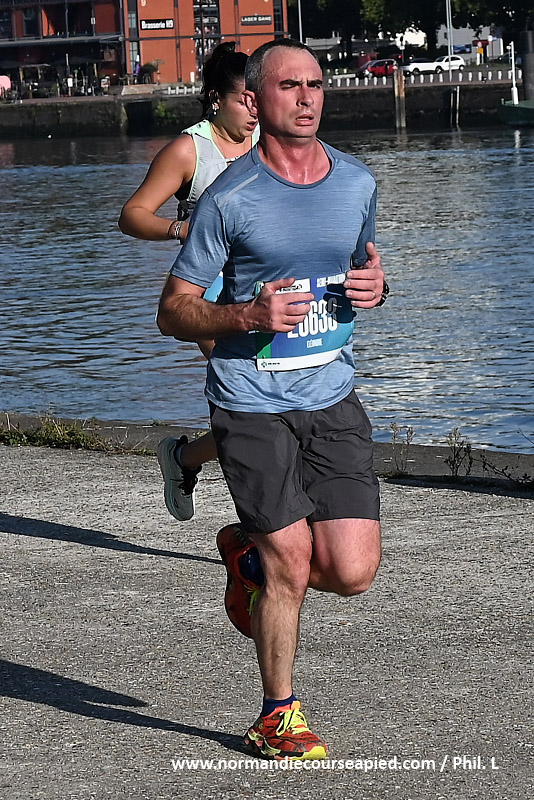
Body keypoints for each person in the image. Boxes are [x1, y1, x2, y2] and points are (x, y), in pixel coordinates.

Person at [157, 38, 388, 761]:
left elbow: (364, 269)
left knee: (351, 571)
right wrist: (247, 316)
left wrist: (378, 288)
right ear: (255, 101)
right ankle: (276, 715)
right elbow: (173, 310)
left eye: (316, 83)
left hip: (332, 392)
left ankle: (246, 559)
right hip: (249, 398)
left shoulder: (356, 183)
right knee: (292, 557)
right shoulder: (230, 198)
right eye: (291, 86)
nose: (308, 97)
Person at [119, 42, 259, 522]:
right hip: (207, 295)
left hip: (263, 293)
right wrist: (182, 229)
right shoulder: (188, 150)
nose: (254, 111)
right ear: (216, 98)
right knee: (252, 406)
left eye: (259, 99)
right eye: (244, 100)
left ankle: (181, 459)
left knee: (269, 410)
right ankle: (263, 527)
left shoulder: (270, 143)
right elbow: (132, 215)